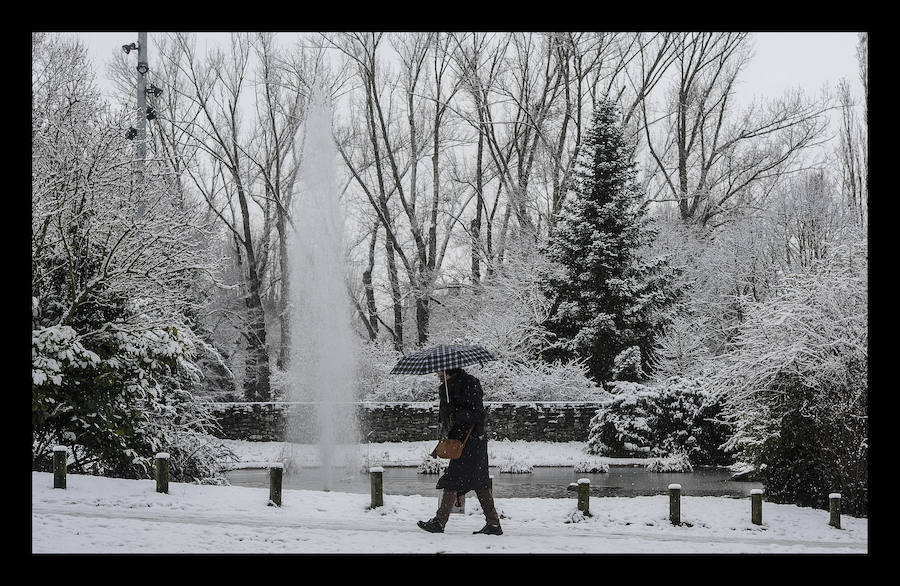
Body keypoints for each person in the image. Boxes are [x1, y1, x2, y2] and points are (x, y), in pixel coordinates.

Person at [417, 367, 503, 535]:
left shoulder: (469, 385)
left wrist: (455, 413)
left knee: (454, 479)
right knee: (479, 481)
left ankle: (439, 522)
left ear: (448, 371)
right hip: (463, 441)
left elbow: (478, 414)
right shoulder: (450, 388)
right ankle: (493, 523)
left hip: (470, 441)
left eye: (440, 371)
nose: (437, 374)